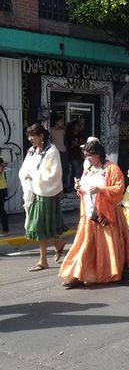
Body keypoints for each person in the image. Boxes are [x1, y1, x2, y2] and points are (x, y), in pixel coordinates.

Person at [59, 141, 129, 288]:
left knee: (107, 247)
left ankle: (110, 272)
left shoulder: (112, 169)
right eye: (86, 157)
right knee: (84, 246)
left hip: (107, 215)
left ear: (98, 154)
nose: (88, 159)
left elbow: (119, 189)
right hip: (89, 213)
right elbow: (85, 189)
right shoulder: (89, 169)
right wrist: (79, 187)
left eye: (90, 156)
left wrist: (101, 189)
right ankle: (77, 275)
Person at [18, 123, 68, 271]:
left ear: (41, 136)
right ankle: (57, 244)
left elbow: (54, 174)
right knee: (40, 227)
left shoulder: (51, 151)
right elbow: (24, 169)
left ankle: (43, 260)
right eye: (29, 136)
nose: (30, 138)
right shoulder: (31, 151)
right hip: (33, 192)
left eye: (33, 135)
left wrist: (33, 176)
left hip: (46, 192)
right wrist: (27, 177)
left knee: (39, 227)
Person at [49, 115, 70, 191]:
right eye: (61, 121)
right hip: (56, 152)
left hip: (63, 151)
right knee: (57, 169)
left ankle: (63, 186)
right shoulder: (51, 130)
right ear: (56, 122)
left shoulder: (63, 131)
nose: (62, 123)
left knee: (65, 169)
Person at [65, 119, 86, 190]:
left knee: (80, 170)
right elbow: (73, 144)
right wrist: (79, 144)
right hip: (73, 155)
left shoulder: (81, 134)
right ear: (73, 127)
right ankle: (73, 187)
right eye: (77, 125)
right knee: (75, 171)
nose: (79, 127)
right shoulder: (70, 135)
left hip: (81, 155)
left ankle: (78, 185)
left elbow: (84, 142)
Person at [0, 153, 9, 236]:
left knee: (1, 209)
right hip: (2, 188)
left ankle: (5, 230)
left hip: (1, 188)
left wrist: (3, 166)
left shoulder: (0, 160)